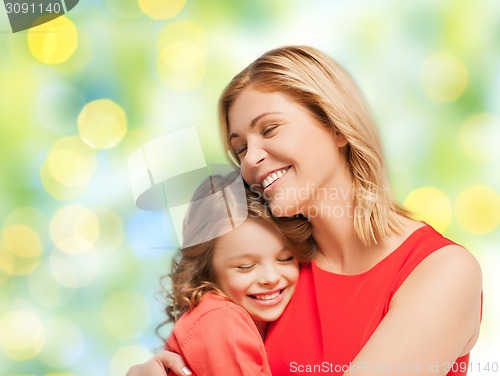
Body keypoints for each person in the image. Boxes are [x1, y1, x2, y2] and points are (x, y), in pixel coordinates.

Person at [127, 45, 482, 375]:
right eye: (240, 149)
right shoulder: (277, 273)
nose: (250, 159)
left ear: (336, 126)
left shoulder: (442, 271)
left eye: (270, 129)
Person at [128, 173, 314, 376]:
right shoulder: (221, 321)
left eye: (285, 258)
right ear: (207, 269)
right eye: (245, 266)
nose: (270, 277)